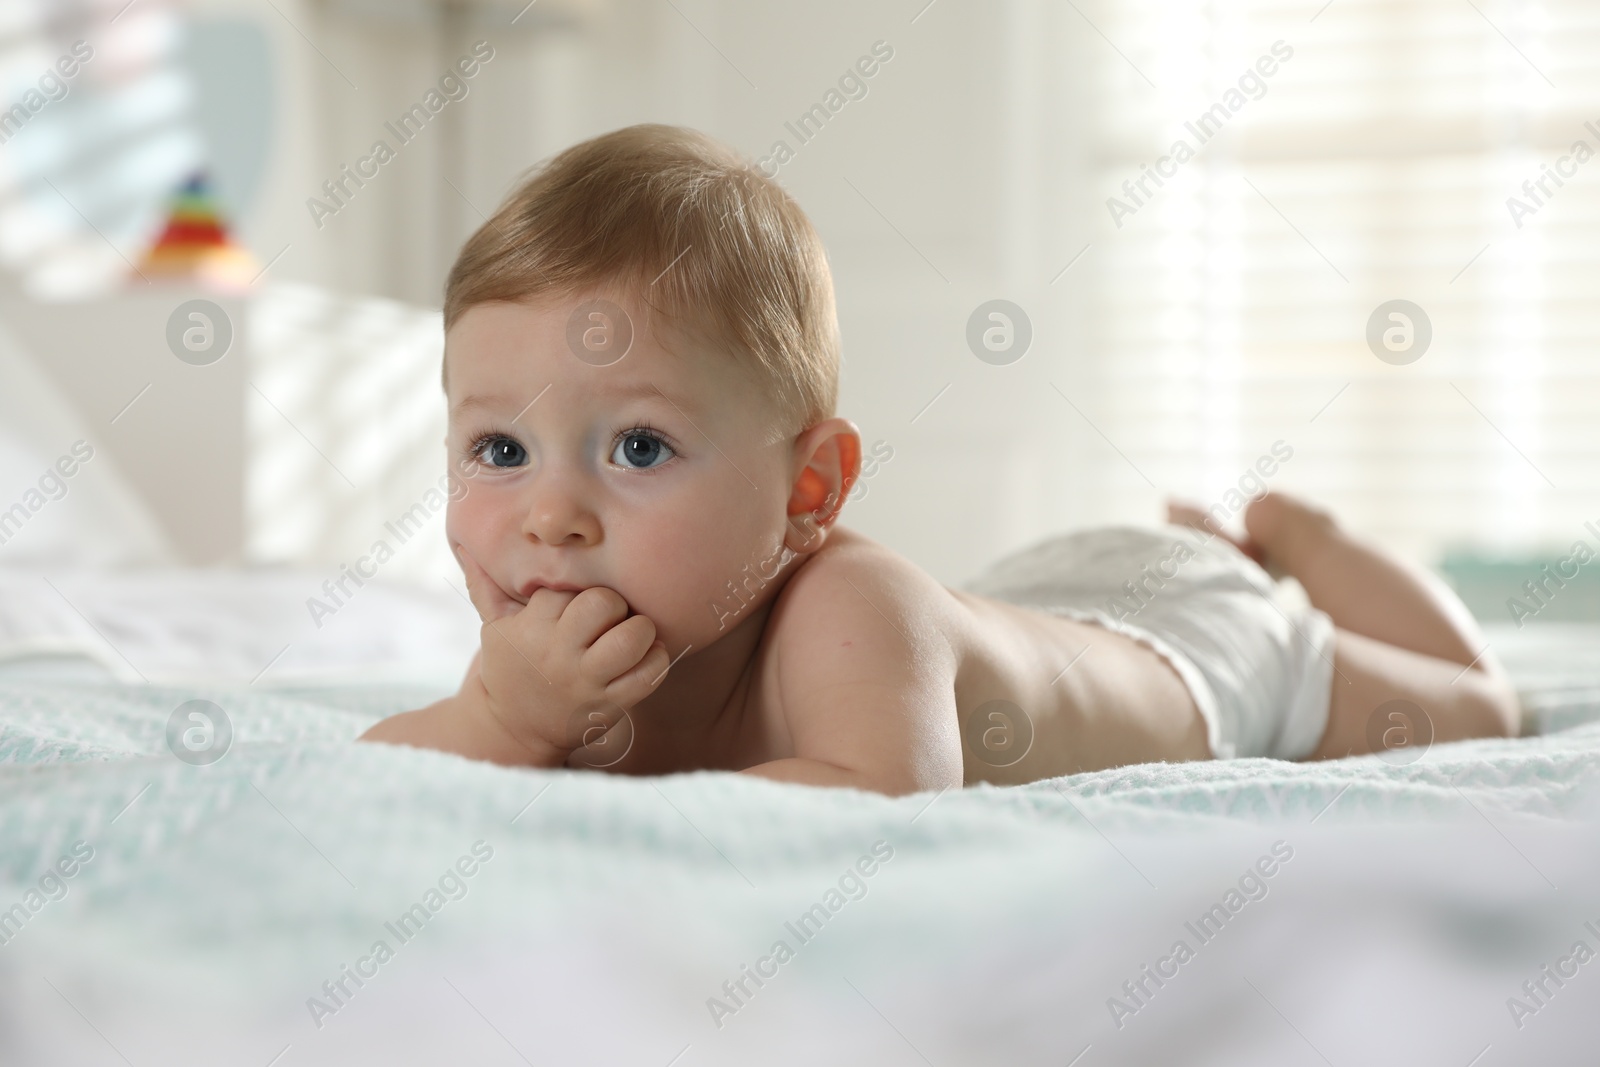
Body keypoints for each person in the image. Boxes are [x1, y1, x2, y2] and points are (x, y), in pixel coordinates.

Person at [360, 124, 1519, 795]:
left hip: (1200, 647)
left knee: (1479, 711)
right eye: (499, 448)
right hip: (1039, 594)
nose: (551, 513)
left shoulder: (851, 608)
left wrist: (535, 760)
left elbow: (877, 803)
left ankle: (1292, 541)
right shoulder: (545, 638)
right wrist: (494, 720)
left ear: (805, 492)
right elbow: (379, 769)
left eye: (640, 445)